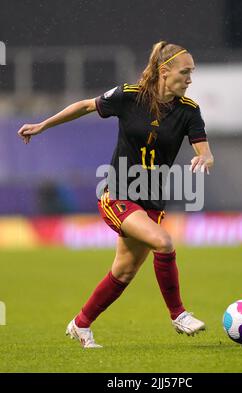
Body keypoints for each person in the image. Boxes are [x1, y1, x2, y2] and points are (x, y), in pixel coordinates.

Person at [18, 41, 214, 348]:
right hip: (118, 195)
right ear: (164, 71)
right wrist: (43, 125)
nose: (190, 79)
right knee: (164, 242)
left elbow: (205, 150)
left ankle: (81, 324)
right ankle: (178, 314)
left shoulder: (189, 112)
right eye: (185, 72)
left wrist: (206, 158)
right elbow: (84, 106)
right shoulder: (129, 96)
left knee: (123, 272)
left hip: (151, 202)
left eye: (192, 73)